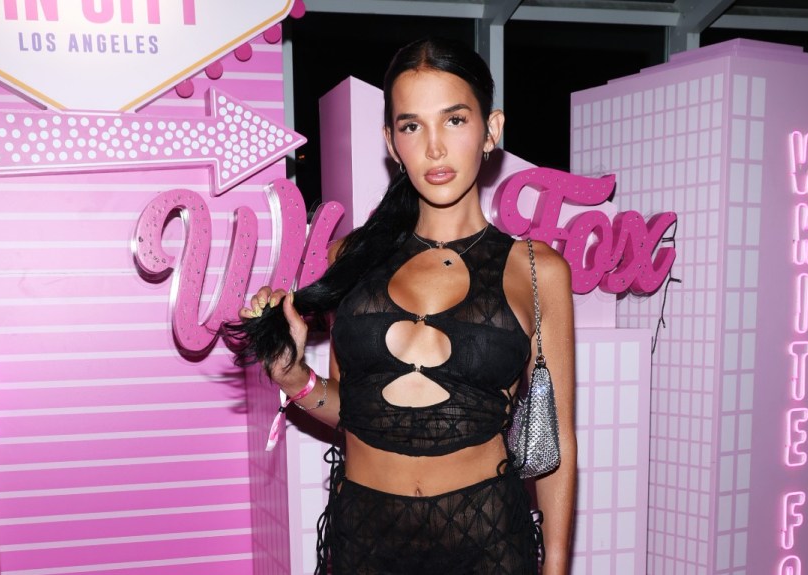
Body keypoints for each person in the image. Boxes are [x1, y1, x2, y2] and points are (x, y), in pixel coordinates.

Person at [225, 36, 576, 575]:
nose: (435, 148)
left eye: (454, 120)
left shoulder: (536, 270)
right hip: (365, 540)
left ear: (492, 129)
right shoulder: (352, 257)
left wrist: (555, 567)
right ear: (392, 142)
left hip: (486, 542)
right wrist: (294, 377)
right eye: (412, 126)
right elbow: (354, 414)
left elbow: (556, 445)